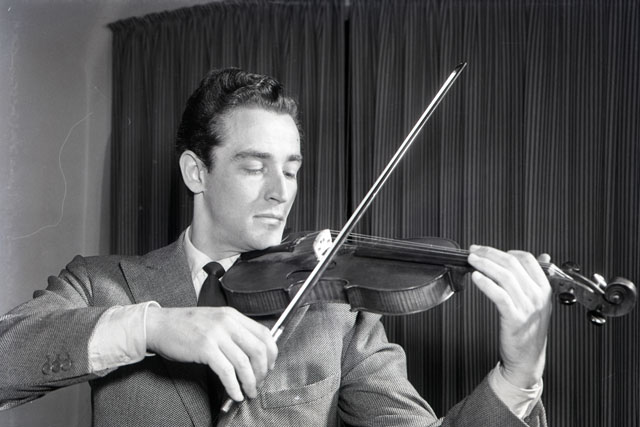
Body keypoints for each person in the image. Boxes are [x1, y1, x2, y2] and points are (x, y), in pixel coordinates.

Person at [0, 68, 551, 426]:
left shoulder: (335, 311)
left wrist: (517, 378)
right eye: (254, 166)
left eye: (290, 169)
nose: (280, 191)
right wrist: (151, 326)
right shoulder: (102, 283)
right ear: (196, 171)